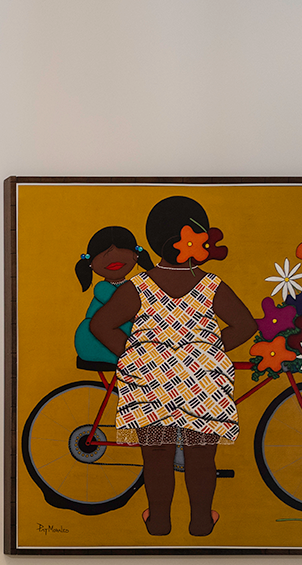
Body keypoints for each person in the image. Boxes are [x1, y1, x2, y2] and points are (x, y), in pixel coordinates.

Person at [90, 196, 254, 537]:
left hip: (150, 381)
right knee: (200, 458)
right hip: (203, 382)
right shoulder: (211, 285)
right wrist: (206, 351)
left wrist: (135, 354)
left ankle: (159, 521)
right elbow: (245, 325)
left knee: (158, 456)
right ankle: (201, 521)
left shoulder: (139, 287)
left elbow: (101, 325)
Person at [72, 226, 151, 371]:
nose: (113, 256)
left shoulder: (132, 286)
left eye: (122, 248)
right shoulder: (103, 288)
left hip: (115, 335)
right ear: (91, 264)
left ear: (136, 255)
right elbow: (127, 311)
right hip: (94, 340)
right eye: (103, 252)